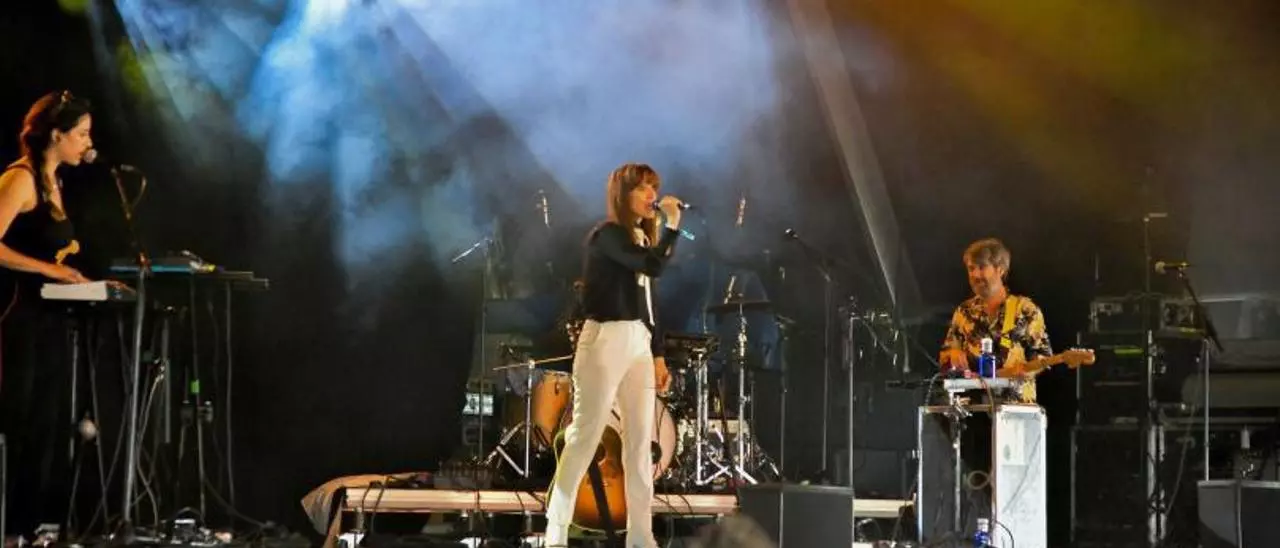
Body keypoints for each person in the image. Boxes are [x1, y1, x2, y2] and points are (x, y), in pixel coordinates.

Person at [544, 163, 680, 548]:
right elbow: (653, 266)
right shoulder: (607, 236)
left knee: (640, 443)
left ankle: (641, 535)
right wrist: (672, 227)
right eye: (642, 188)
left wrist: (657, 354)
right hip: (605, 337)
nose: (651, 195)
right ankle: (556, 529)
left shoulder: (641, 237)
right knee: (586, 435)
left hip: (638, 339)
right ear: (623, 195)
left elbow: (649, 302)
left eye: (654, 188)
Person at [0, 90, 95, 541]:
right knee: (17, 424)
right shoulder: (20, 179)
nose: (87, 144)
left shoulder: (56, 182)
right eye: (82, 134)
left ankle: (29, 526)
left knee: (46, 426)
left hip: (53, 322)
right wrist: (47, 269)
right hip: (23, 320)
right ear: (56, 135)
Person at [939, 237, 1053, 402]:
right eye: (971, 268)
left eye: (982, 267)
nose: (975, 274)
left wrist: (1027, 371)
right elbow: (944, 357)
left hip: (1016, 407)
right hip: (972, 408)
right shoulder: (963, 311)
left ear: (1000, 269)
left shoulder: (1025, 309)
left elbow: (1043, 355)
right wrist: (953, 354)